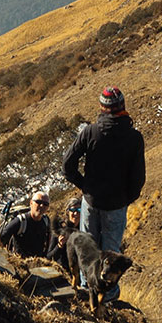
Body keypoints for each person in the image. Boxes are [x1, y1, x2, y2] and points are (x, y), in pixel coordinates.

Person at [61, 86, 144, 297]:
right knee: (111, 252)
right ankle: (107, 295)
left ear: (102, 108)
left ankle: (85, 289)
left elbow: (67, 165)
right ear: (122, 107)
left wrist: (84, 186)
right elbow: (138, 178)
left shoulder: (91, 132)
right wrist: (126, 198)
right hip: (116, 205)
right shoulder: (134, 137)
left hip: (91, 201)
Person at [0, 190, 56, 259]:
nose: (42, 206)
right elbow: (0, 239)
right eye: (38, 202)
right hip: (20, 262)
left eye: (45, 204)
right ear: (31, 203)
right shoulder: (21, 221)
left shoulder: (46, 221)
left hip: (39, 263)